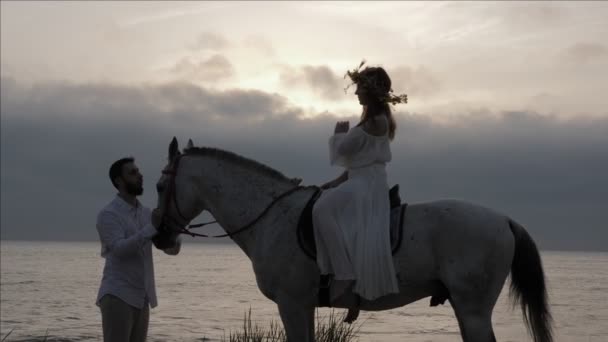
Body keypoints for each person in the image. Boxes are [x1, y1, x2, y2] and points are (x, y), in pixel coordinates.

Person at [312, 61, 407, 322]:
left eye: (359, 89)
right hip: (363, 181)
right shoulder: (374, 119)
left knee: (321, 211)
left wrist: (337, 135)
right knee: (327, 203)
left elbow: (342, 151)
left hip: (366, 185)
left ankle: (344, 275)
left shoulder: (375, 121)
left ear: (370, 92)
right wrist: (334, 183)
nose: (355, 93)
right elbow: (359, 161)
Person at [96, 157, 181, 342]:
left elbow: (170, 250)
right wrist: (152, 228)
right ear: (119, 181)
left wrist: (174, 233)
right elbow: (119, 250)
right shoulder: (108, 214)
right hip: (117, 295)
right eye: (133, 173)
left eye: (138, 171)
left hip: (142, 298)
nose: (140, 176)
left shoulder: (146, 213)